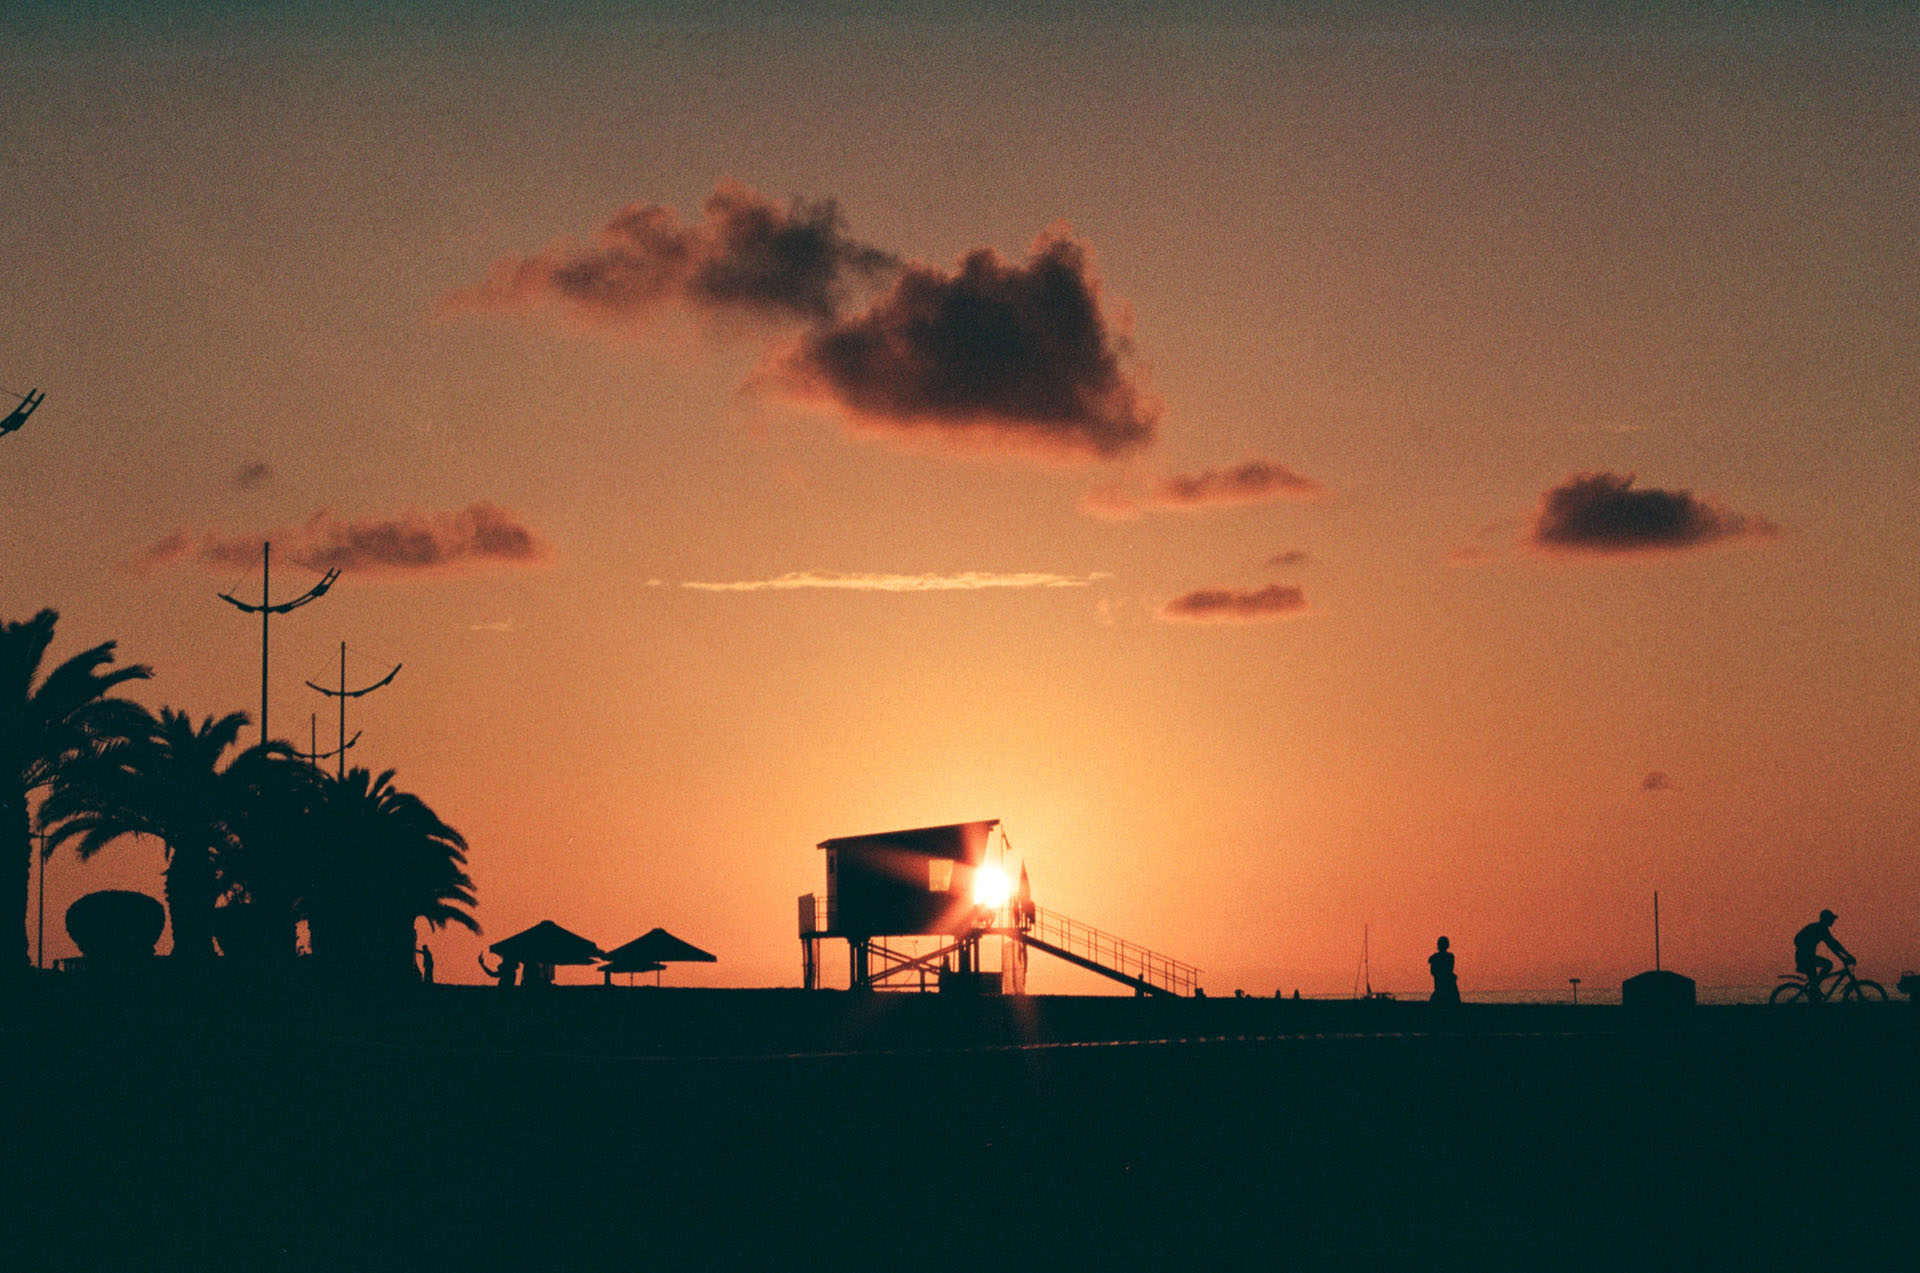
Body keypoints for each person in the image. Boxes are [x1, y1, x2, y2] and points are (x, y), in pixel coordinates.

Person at [1794, 909, 1853, 1000]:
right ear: (1826, 919)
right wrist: (1845, 957)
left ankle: (1815, 990)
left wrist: (1846, 956)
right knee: (1828, 964)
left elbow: (1833, 944)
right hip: (1805, 958)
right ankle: (1814, 989)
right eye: (1831, 919)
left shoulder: (1821, 928)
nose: (1833, 921)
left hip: (1807, 957)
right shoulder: (1819, 928)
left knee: (1815, 984)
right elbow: (1833, 945)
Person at [1429, 936, 1461, 1006]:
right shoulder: (1447, 957)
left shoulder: (1436, 957)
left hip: (1443, 986)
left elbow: (1434, 972)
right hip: (1444, 986)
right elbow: (1448, 971)